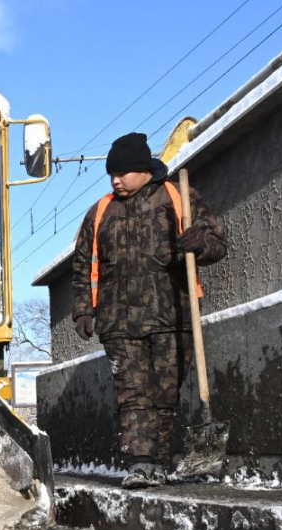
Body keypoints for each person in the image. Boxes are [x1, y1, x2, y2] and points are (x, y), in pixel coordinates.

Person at [71, 132, 226, 489]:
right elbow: (83, 264)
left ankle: (158, 461)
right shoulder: (100, 212)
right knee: (133, 394)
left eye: (122, 173)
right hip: (118, 321)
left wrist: (202, 242)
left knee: (164, 394)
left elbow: (218, 243)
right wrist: (83, 309)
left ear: (143, 170)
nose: (115, 180)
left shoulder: (177, 196)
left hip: (173, 315)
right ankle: (141, 463)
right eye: (111, 174)